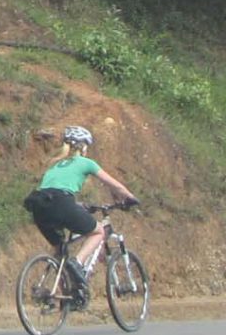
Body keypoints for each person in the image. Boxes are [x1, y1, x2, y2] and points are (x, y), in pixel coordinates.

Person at [23, 125, 139, 302]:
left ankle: (66, 295)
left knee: (60, 251)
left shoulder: (55, 164)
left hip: (39, 205)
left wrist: (78, 205)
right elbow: (114, 185)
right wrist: (130, 198)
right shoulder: (87, 163)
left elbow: (53, 192)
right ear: (83, 146)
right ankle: (77, 262)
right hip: (61, 202)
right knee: (98, 231)